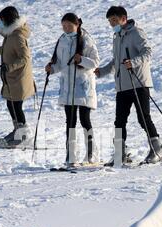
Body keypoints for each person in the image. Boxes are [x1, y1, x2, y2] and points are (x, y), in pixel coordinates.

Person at [95, 6, 162, 164]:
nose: (112, 24)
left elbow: (148, 52)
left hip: (138, 83)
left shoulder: (136, 33)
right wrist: (102, 71)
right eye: (110, 21)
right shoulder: (117, 36)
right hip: (122, 86)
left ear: (124, 18)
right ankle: (120, 153)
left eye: (114, 20)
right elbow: (116, 62)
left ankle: (157, 149)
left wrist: (132, 63)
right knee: (119, 121)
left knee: (143, 118)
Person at [45, 13, 100, 165]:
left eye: (69, 25)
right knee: (70, 121)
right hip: (67, 88)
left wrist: (81, 59)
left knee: (84, 119)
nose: (66, 28)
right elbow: (60, 64)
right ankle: (71, 155)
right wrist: (52, 68)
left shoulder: (85, 39)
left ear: (76, 25)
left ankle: (91, 154)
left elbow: (95, 62)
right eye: (64, 26)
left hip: (83, 86)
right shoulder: (61, 40)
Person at [0, 6, 35, 146]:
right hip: (13, 78)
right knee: (11, 104)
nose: (0, 23)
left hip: (19, 78)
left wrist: (9, 67)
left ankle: (24, 135)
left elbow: (25, 57)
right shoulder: (11, 35)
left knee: (16, 105)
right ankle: (18, 130)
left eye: (2, 20)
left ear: (9, 20)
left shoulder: (17, 36)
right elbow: (7, 50)